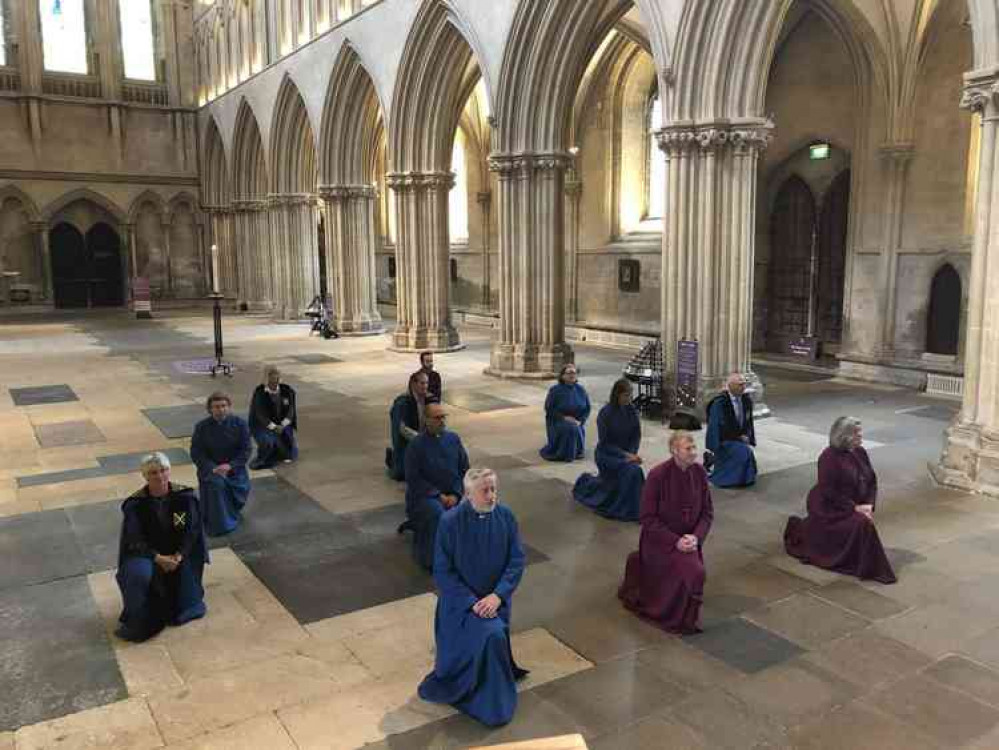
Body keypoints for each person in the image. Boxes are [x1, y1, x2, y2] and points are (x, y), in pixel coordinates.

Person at [418, 467, 528, 727]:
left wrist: (498, 596)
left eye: (494, 489)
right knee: (491, 635)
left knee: (493, 632)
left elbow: (516, 560)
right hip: (461, 607)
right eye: (485, 490)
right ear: (468, 494)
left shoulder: (506, 516)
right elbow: (443, 572)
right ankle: (488, 701)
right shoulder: (449, 522)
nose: (491, 496)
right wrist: (473, 603)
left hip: (495, 602)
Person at [619, 431, 713, 634]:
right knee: (695, 572)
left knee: (693, 571)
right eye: (688, 449)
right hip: (660, 543)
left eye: (694, 447)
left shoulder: (699, 473)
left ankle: (685, 615)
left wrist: (696, 536)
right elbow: (647, 518)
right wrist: (675, 541)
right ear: (674, 451)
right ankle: (673, 616)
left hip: (690, 541)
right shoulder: (657, 475)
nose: (694, 452)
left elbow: (707, 513)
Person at [784, 416, 896, 584]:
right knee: (862, 524)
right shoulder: (828, 458)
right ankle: (873, 568)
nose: (861, 435)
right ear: (845, 436)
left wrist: (868, 504)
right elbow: (829, 491)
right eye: (857, 433)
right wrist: (854, 508)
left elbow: (871, 480)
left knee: (863, 522)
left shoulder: (860, 452)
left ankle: (860, 559)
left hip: (853, 503)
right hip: (829, 507)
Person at [115, 452, 208, 642]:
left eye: (163, 470)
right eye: (153, 473)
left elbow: (193, 531)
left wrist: (179, 556)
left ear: (169, 471)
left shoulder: (185, 497)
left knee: (183, 602)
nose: (159, 476)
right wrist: (157, 558)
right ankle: (139, 616)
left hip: (179, 554)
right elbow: (134, 539)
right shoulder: (135, 504)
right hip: (147, 554)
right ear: (145, 476)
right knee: (136, 574)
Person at [404, 402, 469, 571]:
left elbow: (464, 470)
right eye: (437, 417)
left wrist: (456, 494)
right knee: (438, 514)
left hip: (453, 493)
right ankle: (434, 560)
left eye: (443, 417)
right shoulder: (416, 445)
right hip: (425, 497)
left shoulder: (453, 439)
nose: (442, 421)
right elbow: (413, 478)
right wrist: (438, 495)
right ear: (426, 420)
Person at [572, 378, 645, 521]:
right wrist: (625, 455)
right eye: (625, 395)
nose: (629, 399)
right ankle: (626, 508)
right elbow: (605, 443)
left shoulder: (632, 411)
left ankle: (634, 507)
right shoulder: (606, 413)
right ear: (617, 394)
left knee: (633, 471)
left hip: (627, 454)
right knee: (633, 471)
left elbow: (636, 436)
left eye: (630, 395)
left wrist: (632, 454)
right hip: (607, 454)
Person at [190, 391, 252, 536]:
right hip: (211, 469)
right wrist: (212, 468)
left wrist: (230, 465)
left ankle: (231, 511)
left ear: (229, 407)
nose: (220, 409)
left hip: (234, 468)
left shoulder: (240, 424)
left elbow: (246, 450)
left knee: (240, 489)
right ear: (210, 409)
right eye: (216, 407)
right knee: (217, 485)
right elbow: (196, 452)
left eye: (224, 406)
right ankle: (222, 524)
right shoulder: (201, 427)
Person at [704, 372, 757, 487]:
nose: (743, 387)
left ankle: (744, 479)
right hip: (724, 440)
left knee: (747, 452)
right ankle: (727, 478)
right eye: (740, 385)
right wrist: (737, 438)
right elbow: (716, 427)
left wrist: (747, 435)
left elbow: (748, 422)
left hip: (740, 439)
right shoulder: (720, 403)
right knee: (744, 452)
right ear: (730, 386)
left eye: (744, 384)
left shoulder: (746, 401)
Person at [248, 365, 298, 470]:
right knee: (268, 442)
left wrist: (282, 425)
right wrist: (273, 427)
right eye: (271, 375)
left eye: (276, 374)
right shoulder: (259, 392)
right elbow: (260, 414)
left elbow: (291, 411)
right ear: (266, 377)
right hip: (262, 425)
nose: (275, 377)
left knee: (288, 448)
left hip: (282, 423)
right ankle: (262, 458)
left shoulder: (287, 390)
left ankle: (283, 452)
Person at [539, 363, 590, 462]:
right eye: (569, 373)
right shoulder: (555, 390)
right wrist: (564, 418)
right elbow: (549, 409)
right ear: (563, 376)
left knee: (575, 426)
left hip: (576, 420)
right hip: (558, 420)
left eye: (574, 373)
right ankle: (565, 454)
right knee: (570, 428)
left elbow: (587, 408)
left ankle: (577, 451)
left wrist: (581, 420)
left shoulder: (581, 390)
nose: (572, 375)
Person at [386, 371, 431, 482]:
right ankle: (393, 460)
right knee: (406, 475)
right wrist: (421, 440)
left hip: (422, 440)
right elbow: (402, 429)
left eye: (426, 383)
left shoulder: (427, 399)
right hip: (408, 444)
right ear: (413, 384)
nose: (425, 386)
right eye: (422, 383)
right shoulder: (402, 403)